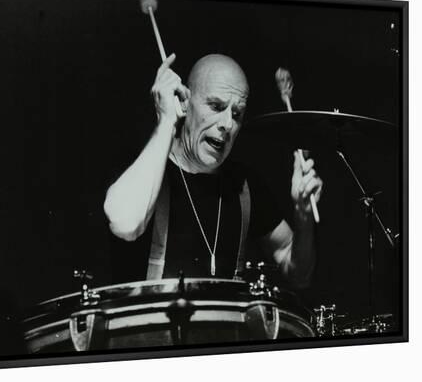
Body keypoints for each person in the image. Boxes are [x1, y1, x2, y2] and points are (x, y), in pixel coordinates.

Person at [103, 53, 323, 288]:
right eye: (216, 106)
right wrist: (167, 121)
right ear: (184, 102)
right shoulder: (143, 166)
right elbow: (125, 224)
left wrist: (303, 217)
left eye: (236, 114)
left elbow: (298, 273)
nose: (227, 124)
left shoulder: (244, 185)